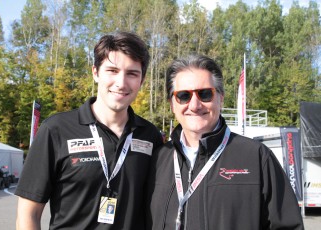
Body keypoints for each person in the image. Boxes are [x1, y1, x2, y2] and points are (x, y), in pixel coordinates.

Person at [15, 31, 163, 230]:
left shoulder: (150, 136)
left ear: (142, 80)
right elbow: (28, 215)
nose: (121, 83)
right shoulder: (57, 130)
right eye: (112, 70)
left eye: (132, 73)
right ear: (95, 73)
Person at [146, 54, 304, 230]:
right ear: (172, 104)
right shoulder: (157, 160)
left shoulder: (256, 157)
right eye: (184, 96)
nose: (194, 105)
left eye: (205, 94)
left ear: (220, 98)